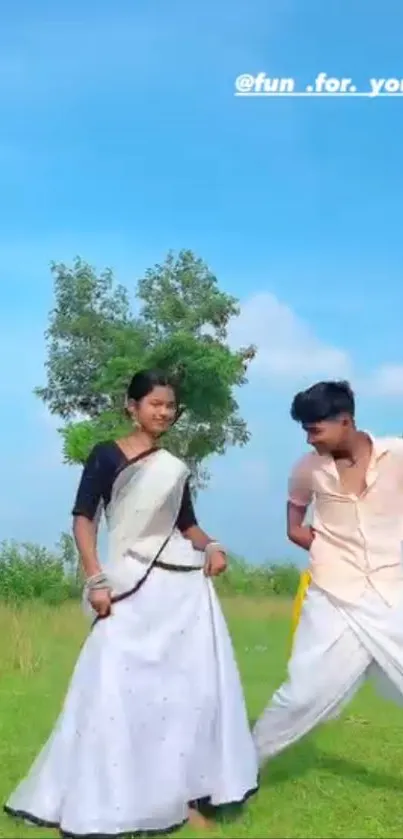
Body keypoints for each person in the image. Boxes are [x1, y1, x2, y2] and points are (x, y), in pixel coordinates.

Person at [5, 369, 258, 837]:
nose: (163, 412)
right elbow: (84, 519)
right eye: (154, 404)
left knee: (185, 694)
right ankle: (109, 797)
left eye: (170, 406)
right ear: (132, 406)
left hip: (180, 591)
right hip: (126, 584)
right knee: (113, 688)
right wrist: (95, 578)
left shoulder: (174, 468)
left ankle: (183, 798)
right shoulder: (106, 455)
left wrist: (213, 546)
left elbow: (188, 525)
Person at [253, 379, 403, 763]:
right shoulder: (307, 470)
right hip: (334, 595)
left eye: (315, 429)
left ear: (346, 421)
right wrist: (328, 551)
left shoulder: (397, 455)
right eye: (304, 429)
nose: (309, 439)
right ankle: (237, 773)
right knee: (303, 694)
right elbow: (294, 527)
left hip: (394, 591)